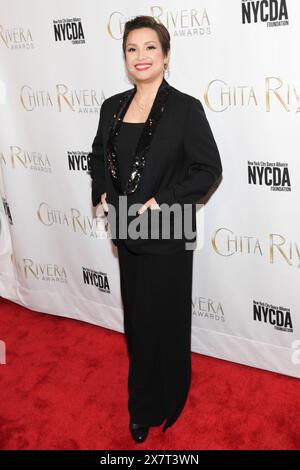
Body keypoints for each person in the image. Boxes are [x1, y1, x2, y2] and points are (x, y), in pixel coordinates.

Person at [88, 15, 223, 443]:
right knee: (139, 323)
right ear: (125, 58)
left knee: (168, 319)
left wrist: (160, 201)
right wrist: (102, 192)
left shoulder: (185, 109)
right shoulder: (112, 107)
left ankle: (173, 395)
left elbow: (208, 169)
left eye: (150, 47)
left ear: (166, 55)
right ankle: (142, 406)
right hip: (127, 231)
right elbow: (97, 157)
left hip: (169, 228)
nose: (141, 56)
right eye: (132, 49)